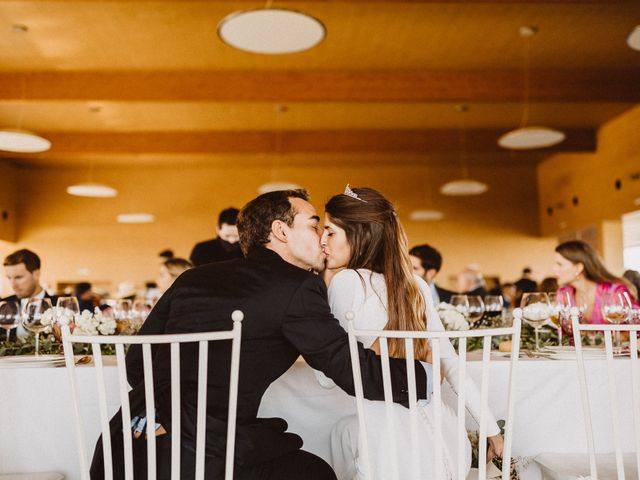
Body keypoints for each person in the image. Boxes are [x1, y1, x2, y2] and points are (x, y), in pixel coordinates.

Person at [90, 189, 433, 480]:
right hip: (206, 459)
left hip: (127, 449)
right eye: (314, 224)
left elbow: (137, 362)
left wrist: (161, 418)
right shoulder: (296, 287)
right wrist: (424, 377)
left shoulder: (193, 278)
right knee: (317, 473)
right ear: (281, 232)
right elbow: (347, 366)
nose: (322, 237)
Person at [320, 186, 502, 480]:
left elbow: (330, 377)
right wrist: (491, 428)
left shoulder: (347, 282)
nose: (322, 241)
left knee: (335, 432)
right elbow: (451, 364)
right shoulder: (414, 284)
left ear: (357, 235)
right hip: (446, 446)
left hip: (388, 454)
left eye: (329, 231)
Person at [554, 240, 638, 324]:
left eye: (560, 264)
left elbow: (636, 324)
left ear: (578, 268)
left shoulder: (614, 291)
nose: (554, 269)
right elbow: (561, 331)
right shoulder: (563, 294)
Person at [2, 249, 57, 340]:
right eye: (9, 278)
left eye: (18, 277)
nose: (13, 285)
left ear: (36, 274)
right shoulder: (4, 305)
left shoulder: (59, 306)